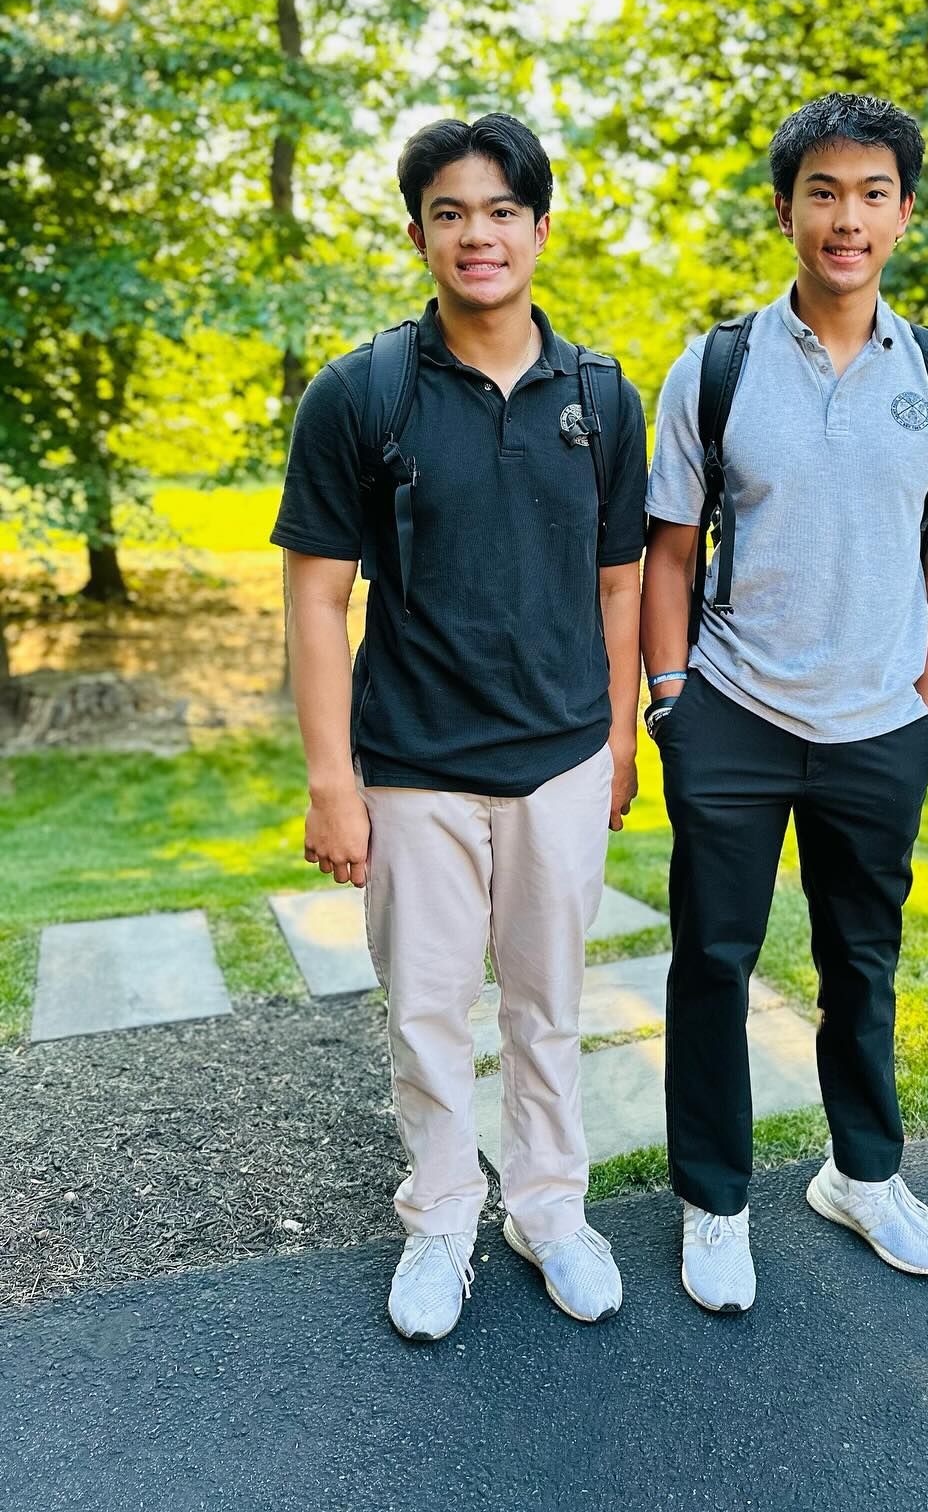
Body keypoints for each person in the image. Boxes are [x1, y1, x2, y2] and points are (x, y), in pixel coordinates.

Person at [272, 114, 647, 1338]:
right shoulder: (360, 392)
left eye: (499, 211)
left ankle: (549, 1212)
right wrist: (333, 779)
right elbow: (317, 597)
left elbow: (620, 586)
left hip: (557, 763)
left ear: (541, 227)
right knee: (427, 1014)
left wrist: (620, 740)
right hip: (414, 768)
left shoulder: (600, 397)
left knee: (548, 1007)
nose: (476, 235)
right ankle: (440, 1222)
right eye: (449, 212)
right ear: (420, 231)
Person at [641, 92, 928, 1313]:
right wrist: (673, 701)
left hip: (878, 727)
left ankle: (864, 1175)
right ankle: (715, 1200)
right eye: (824, 193)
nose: (848, 218)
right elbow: (669, 554)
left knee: (862, 961)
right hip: (732, 711)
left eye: (873, 193)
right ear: (786, 208)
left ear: (903, 212)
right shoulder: (717, 365)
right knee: (713, 964)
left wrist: (926, 710)